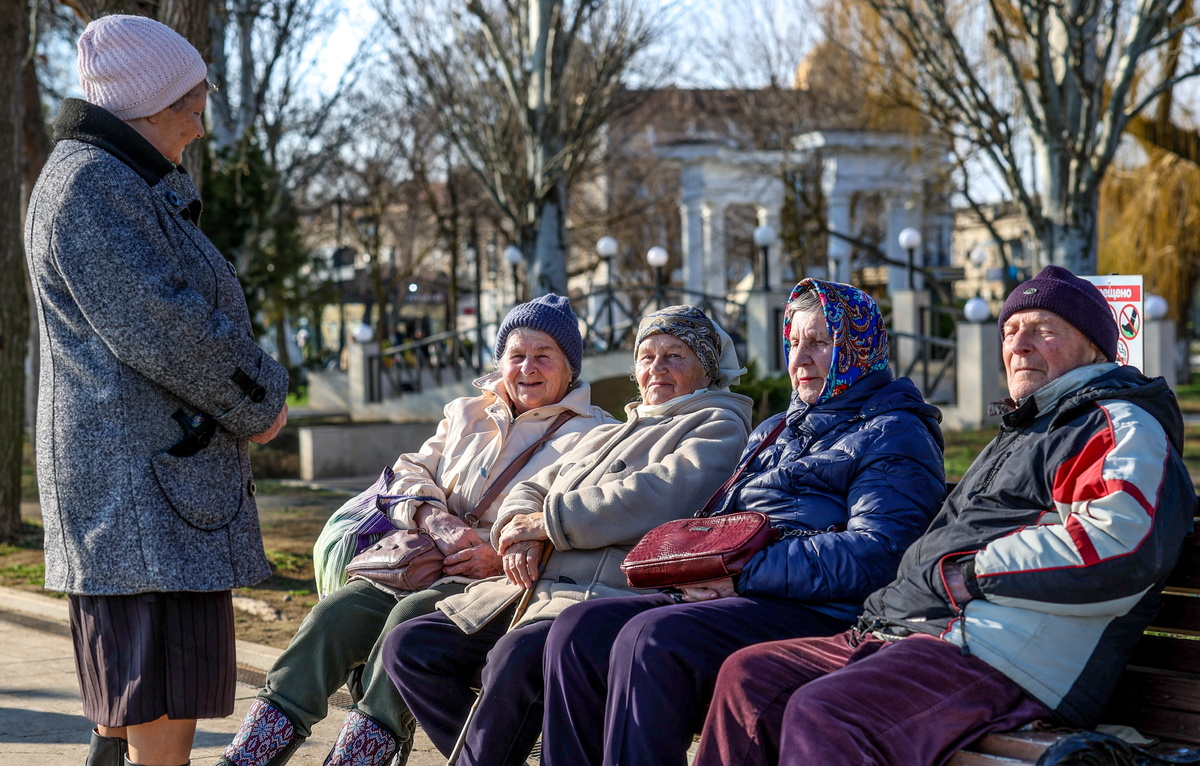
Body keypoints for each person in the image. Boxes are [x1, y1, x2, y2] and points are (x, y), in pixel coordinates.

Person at [695, 265, 1197, 766]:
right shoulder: (1027, 427)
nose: (1020, 346)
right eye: (1010, 331)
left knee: (829, 712)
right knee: (750, 679)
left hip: (1001, 655)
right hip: (915, 631)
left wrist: (968, 575)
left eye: (1044, 329)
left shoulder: (1116, 424)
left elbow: (1118, 545)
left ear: (1095, 348)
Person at [23, 15, 289, 766]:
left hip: (147, 489)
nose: (200, 127)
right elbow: (166, 324)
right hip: (139, 496)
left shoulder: (109, 179)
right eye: (192, 108)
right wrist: (261, 398)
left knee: (142, 697)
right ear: (146, 106)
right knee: (156, 690)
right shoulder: (93, 186)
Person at [539, 279, 947, 766]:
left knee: (650, 638)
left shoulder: (895, 432)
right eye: (793, 342)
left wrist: (742, 573)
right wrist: (704, 569)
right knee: (578, 629)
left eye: (820, 342)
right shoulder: (776, 429)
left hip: (822, 609)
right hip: (741, 591)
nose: (800, 359)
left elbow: (880, 553)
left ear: (858, 348)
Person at [218, 295, 615, 766]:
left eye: (543, 356)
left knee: (408, 620)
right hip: (424, 559)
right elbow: (407, 472)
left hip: (497, 583)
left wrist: (499, 552)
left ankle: (362, 753)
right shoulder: (467, 411)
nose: (527, 368)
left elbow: (579, 521)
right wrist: (434, 517)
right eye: (516, 355)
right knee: (333, 615)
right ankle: (250, 754)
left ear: (570, 366)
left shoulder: (597, 435)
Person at [384, 305, 755, 766]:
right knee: (410, 646)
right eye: (646, 357)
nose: (657, 368)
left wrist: (547, 524)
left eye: (674, 356)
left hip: (602, 596)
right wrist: (521, 533)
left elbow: (656, 495)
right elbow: (531, 489)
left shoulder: (719, 424)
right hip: (532, 592)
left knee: (515, 658)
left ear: (707, 369)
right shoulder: (617, 429)